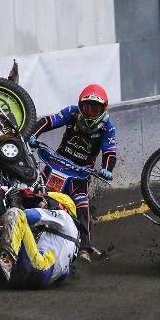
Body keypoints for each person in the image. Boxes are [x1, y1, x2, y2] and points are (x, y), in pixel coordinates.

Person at [29, 84, 116, 262]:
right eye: (87, 106)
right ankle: (27, 229)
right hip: (55, 164)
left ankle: (85, 247)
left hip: (80, 173)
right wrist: (33, 135)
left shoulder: (107, 127)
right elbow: (48, 121)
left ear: (103, 108)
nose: (90, 112)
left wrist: (107, 170)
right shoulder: (73, 112)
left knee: (82, 203)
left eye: (95, 108)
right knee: (37, 194)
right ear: (80, 105)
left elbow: (110, 152)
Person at [0, 192, 79, 289]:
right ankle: (2, 277)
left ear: (64, 207)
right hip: (42, 280)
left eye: (49, 202)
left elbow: (28, 215)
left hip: (38, 268)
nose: (45, 205)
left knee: (15, 213)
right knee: (15, 231)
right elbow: (64, 273)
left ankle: (6, 264)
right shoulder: (73, 236)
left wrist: (5, 221)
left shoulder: (64, 216)